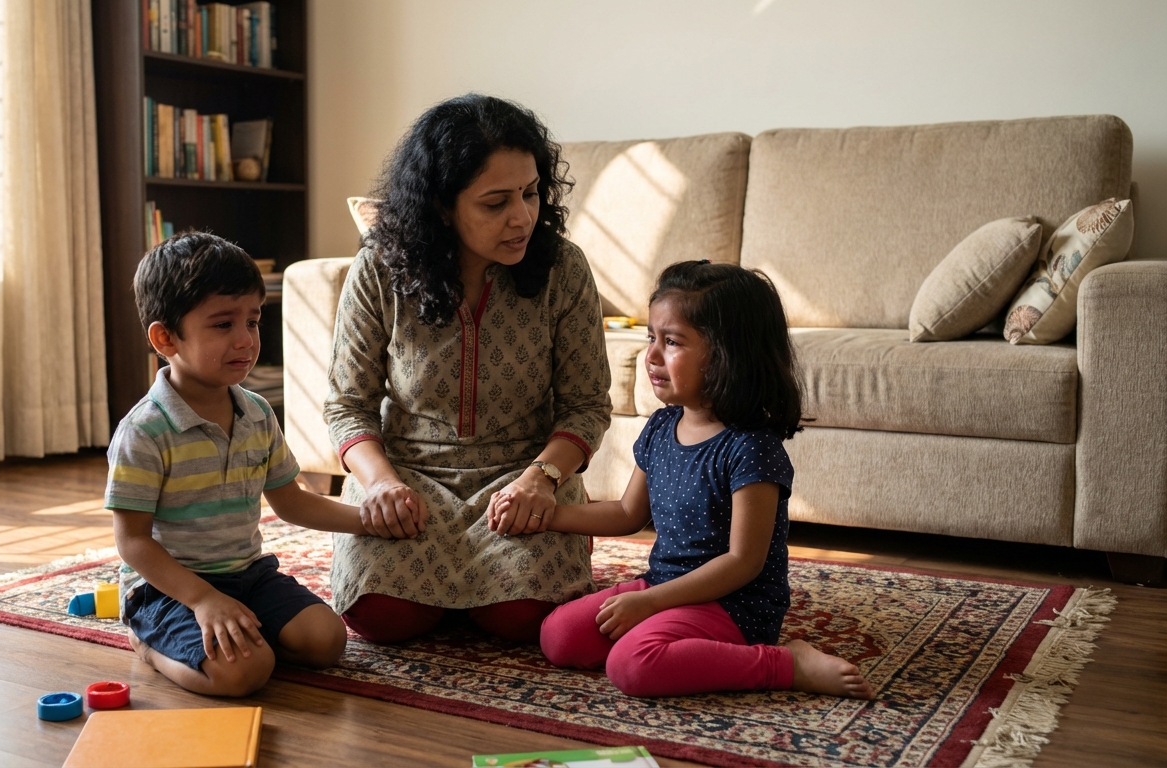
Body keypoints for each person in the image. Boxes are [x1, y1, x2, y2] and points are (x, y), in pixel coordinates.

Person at [510, 260, 874, 699]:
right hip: (665, 585)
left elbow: (744, 562)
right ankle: (676, 642)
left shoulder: (751, 448)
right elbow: (627, 513)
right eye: (651, 338)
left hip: (735, 604)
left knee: (633, 666)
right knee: (559, 636)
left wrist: (649, 604)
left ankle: (786, 663)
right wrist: (547, 517)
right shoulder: (662, 426)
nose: (652, 356)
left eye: (673, 342)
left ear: (727, 353)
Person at [324, 94, 612, 644]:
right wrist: (380, 484)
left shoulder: (563, 268)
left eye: (530, 193)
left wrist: (543, 479)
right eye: (495, 202)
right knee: (381, 616)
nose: (522, 216)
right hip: (409, 479)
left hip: (521, 481)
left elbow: (586, 404)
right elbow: (347, 403)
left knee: (522, 618)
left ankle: (482, 589)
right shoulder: (380, 270)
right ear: (441, 206)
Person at [107, 232, 392, 697]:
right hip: (170, 591)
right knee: (243, 674)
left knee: (327, 640)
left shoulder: (257, 412)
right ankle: (149, 644)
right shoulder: (145, 431)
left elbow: (292, 502)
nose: (245, 340)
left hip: (248, 574)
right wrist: (202, 599)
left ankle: (238, 636)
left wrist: (371, 521)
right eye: (223, 325)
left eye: (253, 322)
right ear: (165, 338)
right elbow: (132, 542)